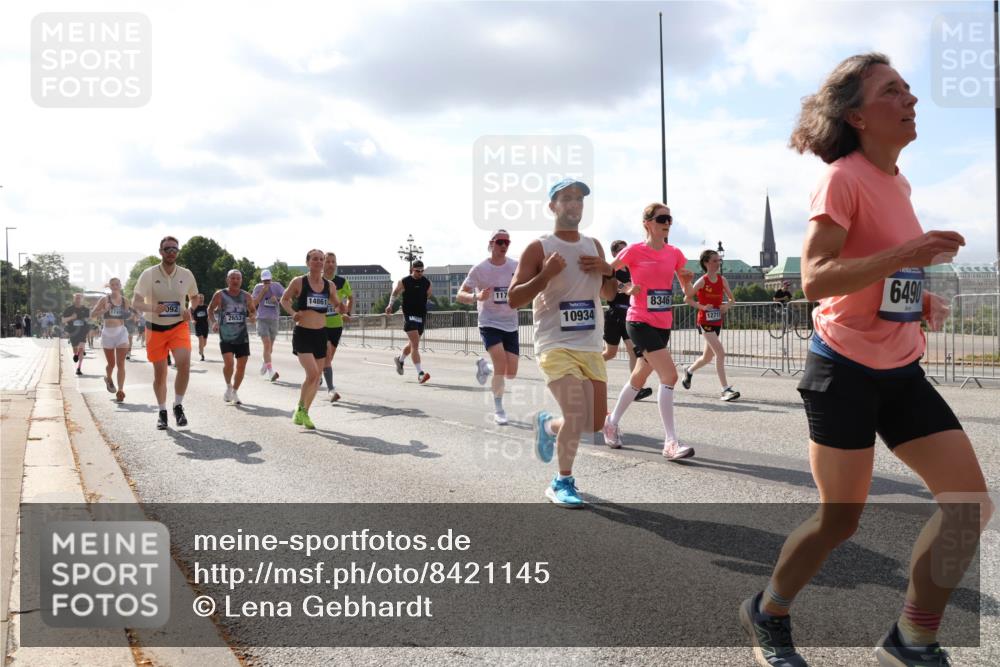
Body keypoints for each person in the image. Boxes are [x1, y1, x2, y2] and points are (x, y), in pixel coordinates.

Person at [739, 53, 993, 667]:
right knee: (839, 521)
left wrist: (917, 296)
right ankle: (768, 610)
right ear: (856, 115)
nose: (910, 99)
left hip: (900, 369)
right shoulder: (842, 178)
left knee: (969, 507)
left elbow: (880, 270)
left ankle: (912, 637)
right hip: (844, 369)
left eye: (909, 89)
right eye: (892, 91)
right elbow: (816, 278)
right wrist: (909, 251)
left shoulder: (898, 182)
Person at [508, 178, 618, 508]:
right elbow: (514, 298)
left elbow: (608, 294)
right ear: (552, 206)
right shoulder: (539, 248)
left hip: (589, 343)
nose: (574, 204)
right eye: (566, 198)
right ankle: (562, 481)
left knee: (594, 423)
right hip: (554, 343)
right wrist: (545, 274)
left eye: (579, 199)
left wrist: (608, 270)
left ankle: (548, 425)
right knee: (576, 411)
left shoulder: (594, 245)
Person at [600, 203, 696, 459]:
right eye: (662, 218)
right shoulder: (634, 250)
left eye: (670, 219)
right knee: (670, 376)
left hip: (663, 323)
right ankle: (671, 442)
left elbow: (687, 294)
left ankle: (611, 421)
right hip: (639, 320)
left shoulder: (674, 253)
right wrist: (625, 288)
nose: (667, 223)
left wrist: (687, 282)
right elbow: (607, 272)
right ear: (647, 223)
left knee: (639, 376)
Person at [132, 236, 199, 430]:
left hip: (178, 327)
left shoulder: (186, 274)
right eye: (167, 249)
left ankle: (178, 405)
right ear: (160, 251)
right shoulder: (148, 274)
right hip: (155, 329)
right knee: (160, 374)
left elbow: (194, 297)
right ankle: (162, 411)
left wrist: (191, 311)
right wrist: (153, 308)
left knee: (184, 365)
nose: (171, 252)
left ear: (178, 252)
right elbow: (136, 302)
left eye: (175, 249)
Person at [457, 229, 520, 425]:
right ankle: (499, 409)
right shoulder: (479, 269)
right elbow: (460, 295)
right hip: (489, 322)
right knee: (501, 365)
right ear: (491, 243)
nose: (503, 245)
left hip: (511, 323)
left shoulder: (515, 266)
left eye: (506, 243)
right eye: (500, 241)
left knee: (511, 373)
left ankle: (485, 368)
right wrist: (477, 297)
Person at [280, 249, 342, 429]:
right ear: (308, 262)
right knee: (313, 374)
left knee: (314, 379)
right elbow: (284, 300)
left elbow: (337, 304)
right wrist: (293, 313)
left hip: (320, 334)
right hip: (303, 334)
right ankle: (301, 409)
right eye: (315, 259)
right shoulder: (299, 281)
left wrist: (342, 308)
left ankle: (303, 411)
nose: (319, 262)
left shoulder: (329, 285)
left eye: (321, 259)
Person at [681, 249, 740, 401]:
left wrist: (726, 306)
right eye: (714, 260)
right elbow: (687, 299)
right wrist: (702, 307)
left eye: (719, 260)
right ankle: (725, 390)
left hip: (717, 321)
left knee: (707, 357)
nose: (718, 263)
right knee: (720, 353)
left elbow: (732, 300)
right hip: (705, 322)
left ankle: (689, 370)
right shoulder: (702, 281)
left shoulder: (722, 280)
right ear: (706, 263)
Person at [602, 239, 652, 402]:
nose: (626, 252)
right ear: (615, 253)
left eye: (627, 249)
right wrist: (629, 289)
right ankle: (588, 368)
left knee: (634, 351)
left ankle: (634, 389)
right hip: (615, 315)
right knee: (610, 353)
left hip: (629, 315)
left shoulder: (631, 269)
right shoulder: (611, 270)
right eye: (622, 250)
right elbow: (620, 287)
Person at [208, 270, 256, 405]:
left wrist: (252, 316)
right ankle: (228, 385)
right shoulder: (220, 295)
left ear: (241, 280)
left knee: (241, 366)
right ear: (227, 280)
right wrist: (214, 322)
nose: (235, 281)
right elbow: (210, 309)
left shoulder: (246, 296)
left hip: (242, 337)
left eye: (238, 278)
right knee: (229, 364)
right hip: (226, 336)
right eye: (233, 278)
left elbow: (252, 310)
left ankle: (234, 391)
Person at [386, 261, 432, 384]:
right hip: (409, 315)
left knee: (412, 344)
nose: (420, 273)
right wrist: (390, 305)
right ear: (412, 269)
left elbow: (427, 296)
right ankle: (420, 374)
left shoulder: (427, 283)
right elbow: (395, 293)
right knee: (416, 345)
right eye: (417, 271)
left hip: (421, 316)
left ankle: (400, 360)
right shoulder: (404, 281)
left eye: (422, 271)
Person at [90, 278, 132, 402]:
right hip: (108, 334)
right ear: (110, 286)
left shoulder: (125, 300)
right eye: (112, 284)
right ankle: (108, 378)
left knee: (121, 364)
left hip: (121, 333)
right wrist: (105, 310)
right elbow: (92, 314)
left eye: (117, 284)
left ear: (120, 285)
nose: (114, 286)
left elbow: (126, 317)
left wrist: (131, 315)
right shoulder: (104, 299)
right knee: (111, 364)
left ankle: (120, 390)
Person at [321, 252, 352, 402]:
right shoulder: (317, 281)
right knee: (326, 356)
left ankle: (318, 373)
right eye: (328, 262)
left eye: (333, 262)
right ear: (323, 264)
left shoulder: (341, 281)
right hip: (321, 325)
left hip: (337, 325)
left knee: (329, 358)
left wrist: (348, 313)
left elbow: (351, 297)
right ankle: (331, 389)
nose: (331, 264)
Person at [252, 269, 284, 382]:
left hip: (274, 319)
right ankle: (271, 372)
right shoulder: (258, 287)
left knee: (270, 348)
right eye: (264, 281)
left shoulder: (277, 286)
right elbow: (254, 303)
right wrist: (262, 292)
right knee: (266, 344)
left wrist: (277, 299)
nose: (267, 283)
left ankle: (265, 362)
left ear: (271, 279)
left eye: (268, 281)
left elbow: (287, 297)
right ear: (261, 280)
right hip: (262, 319)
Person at [61, 295, 91, 375]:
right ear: (73, 299)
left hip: (82, 331)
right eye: (76, 298)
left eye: (80, 298)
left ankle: (79, 368)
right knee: (75, 349)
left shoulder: (86, 309)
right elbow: (63, 320)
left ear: (82, 299)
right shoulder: (69, 309)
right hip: (73, 332)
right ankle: (76, 354)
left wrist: (86, 320)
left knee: (81, 348)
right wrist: (71, 317)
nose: (78, 299)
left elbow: (89, 319)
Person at [192, 294, 209, 361]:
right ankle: (202, 355)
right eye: (200, 298)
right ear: (198, 299)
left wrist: (209, 317)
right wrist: (193, 320)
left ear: (204, 299)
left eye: (202, 298)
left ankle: (200, 349)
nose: (201, 299)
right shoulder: (195, 308)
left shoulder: (206, 307)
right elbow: (192, 316)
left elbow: (210, 313)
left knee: (204, 343)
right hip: (198, 326)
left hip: (205, 326)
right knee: (201, 338)